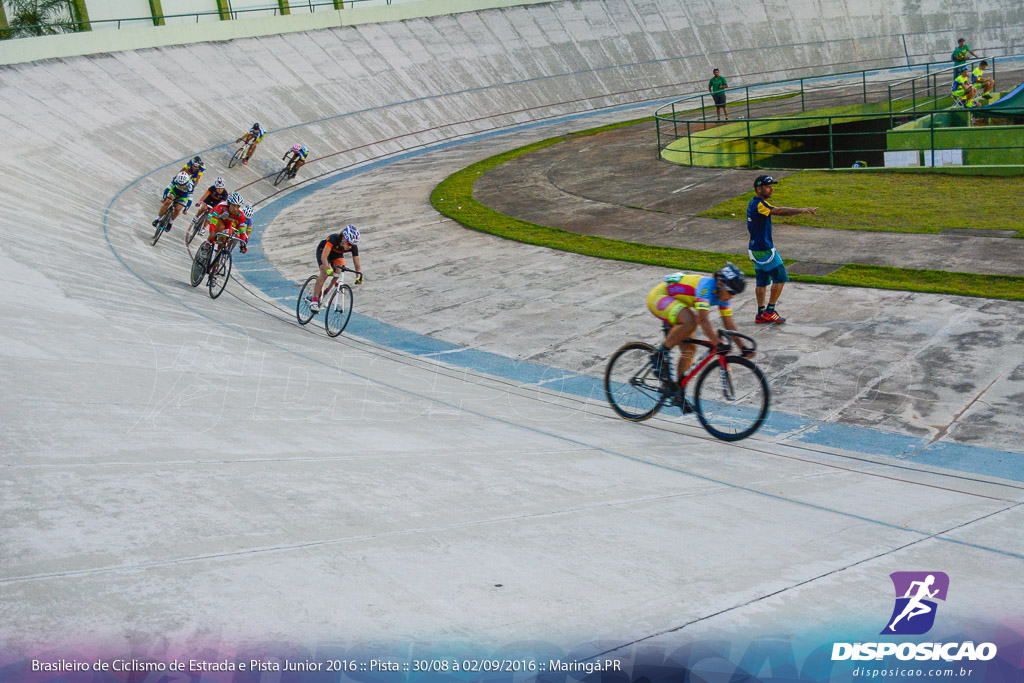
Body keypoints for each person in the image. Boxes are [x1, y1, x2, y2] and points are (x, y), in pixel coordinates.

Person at [646, 263, 746, 409]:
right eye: (730, 292)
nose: (731, 296)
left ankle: (678, 393)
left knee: (689, 351)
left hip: (676, 302)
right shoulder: (706, 287)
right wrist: (717, 342)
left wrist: (743, 348)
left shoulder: (722, 296)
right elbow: (703, 320)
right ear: (720, 283)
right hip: (659, 297)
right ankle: (659, 355)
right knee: (691, 321)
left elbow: (730, 325)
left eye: (734, 294)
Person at [746, 175, 817, 324]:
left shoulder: (753, 203)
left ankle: (760, 313)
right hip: (765, 250)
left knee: (761, 281)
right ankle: (770, 311)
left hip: (754, 249)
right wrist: (803, 210)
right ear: (759, 189)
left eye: (772, 185)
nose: (772, 188)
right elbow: (778, 211)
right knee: (780, 278)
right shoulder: (760, 205)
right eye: (767, 186)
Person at [310, 224, 363, 312]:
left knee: (340, 270)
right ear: (343, 238)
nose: (350, 246)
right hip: (323, 252)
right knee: (324, 272)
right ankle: (314, 300)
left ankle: (327, 292)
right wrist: (327, 268)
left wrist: (359, 276)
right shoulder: (333, 239)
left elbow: (357, 264)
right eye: (349, 243)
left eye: (353, 244)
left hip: (336, 254)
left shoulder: (353, 246)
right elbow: (324, 257)